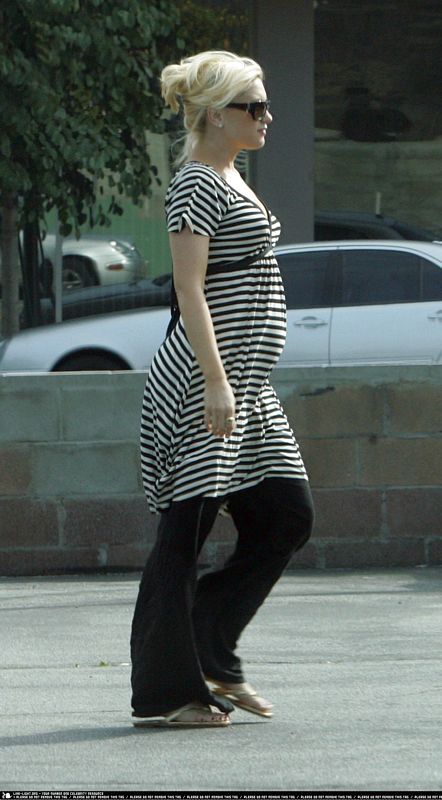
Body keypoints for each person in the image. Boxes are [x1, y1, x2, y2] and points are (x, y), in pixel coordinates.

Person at [130, 50, 314, 728]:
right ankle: (165, 694)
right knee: (184, 533)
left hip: (247, 385)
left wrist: (236, 381)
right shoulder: (196, 184)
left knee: (287, 516)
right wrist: (214, 381)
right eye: (253, 106)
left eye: (265, 105)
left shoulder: (233, 175)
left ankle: (209, 644)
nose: (267, 116)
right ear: (214, 115)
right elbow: (189, 289)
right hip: (205, 386)